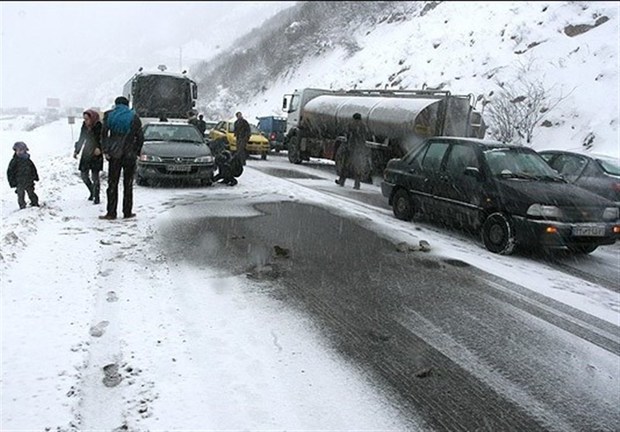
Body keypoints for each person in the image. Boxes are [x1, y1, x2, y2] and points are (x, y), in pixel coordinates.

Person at [99, 96, 144, 220]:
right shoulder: (134, 117)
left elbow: (103, 134)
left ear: (116, 104)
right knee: (128, 184)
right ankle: (127, 212)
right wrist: (137, 151)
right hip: (129, 154)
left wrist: (106, 150)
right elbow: (140, 136)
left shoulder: (109, 115)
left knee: (112, 184)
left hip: (114, 154)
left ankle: (111, 212)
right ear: (127, 104)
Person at [74, 109, 104, 204]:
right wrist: (76, 151)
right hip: (86, 153)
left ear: (92, 118)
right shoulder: (84, 126)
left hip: (96, 154)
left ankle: (97, 196)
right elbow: (81, 138)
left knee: (95, 176)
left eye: (87, 119)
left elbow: (104, 139)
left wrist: (100, 148)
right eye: (85, 119)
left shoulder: (99, 126)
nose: (86, 121)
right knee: (84, 175)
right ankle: (92, 191)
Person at [336, 113, 371, 190]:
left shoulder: (351, 125)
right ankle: (357, 184)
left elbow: (347, 135)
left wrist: (347, 145)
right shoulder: (364, 126)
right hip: (359, 149)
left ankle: (341, 181)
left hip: (351, 148)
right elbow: (367, 136)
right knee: (357, 166)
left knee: (345, 165)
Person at [7, 141, 39, 209]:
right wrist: (12, 182)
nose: (20, 152)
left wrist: (35, 176)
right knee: (20, 195)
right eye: (18, 150)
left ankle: (35, 203)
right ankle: (22, 206)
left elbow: (33, 168)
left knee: (31, 192)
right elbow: (10, 172)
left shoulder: (27, 160)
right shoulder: (14, 161)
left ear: (25, 150)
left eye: (21, 150)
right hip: (19, 182)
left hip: (29, 180)